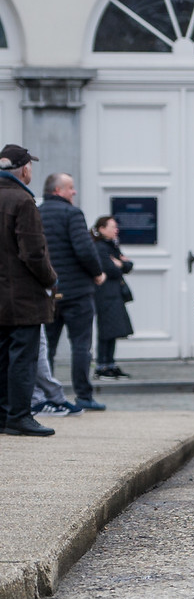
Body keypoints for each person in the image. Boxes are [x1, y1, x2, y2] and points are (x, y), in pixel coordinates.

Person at [0, 145, 57, 436]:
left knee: (1, 357)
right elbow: (33, 253)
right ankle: (19, 416)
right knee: (22, 358)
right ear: (24, 170)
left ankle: (2, 415)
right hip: (22, 298)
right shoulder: (23, 201)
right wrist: (50, 280)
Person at [40, 172, 105, 412]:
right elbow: (84, 249)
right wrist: (98, 273)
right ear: (57, 191)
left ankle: (47, 396)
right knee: (81, 345)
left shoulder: (36, 212)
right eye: (70, 188)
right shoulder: (72, 214)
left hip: (48, 292)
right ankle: (84, 396)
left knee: (47, 348)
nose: (74, 192)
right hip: (77, 292)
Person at [91, 216, 134, 379]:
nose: (116, 229)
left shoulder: (112, 246)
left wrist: (120, 263)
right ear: (101, 229)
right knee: (106, 330)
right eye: (112, 226)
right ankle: (102, 365)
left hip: (114, 293)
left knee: (114, 329)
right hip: (105, 294)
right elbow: (111, 269)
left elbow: (128, 266)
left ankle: (110, 363)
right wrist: (119, 264)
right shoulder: (100, 248)